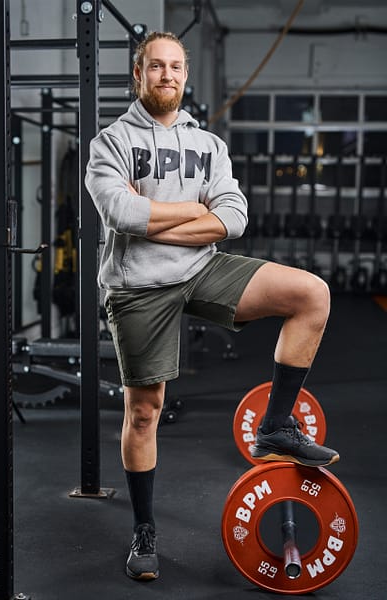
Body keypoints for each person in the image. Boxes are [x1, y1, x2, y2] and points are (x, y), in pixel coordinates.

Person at [85, 31, 339, 582]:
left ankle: (275, 425)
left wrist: (157, 214)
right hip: (137, 285)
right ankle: (144, 529)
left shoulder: (209, 146)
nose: (167, 75)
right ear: (138, 74)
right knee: (145, 411)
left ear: (186, 74)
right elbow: (120, 215)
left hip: (203, 268)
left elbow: (234, 216)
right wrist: (193, 216)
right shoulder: (109, 142)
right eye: (156, 66)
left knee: (311, 294)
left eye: (176, 67)